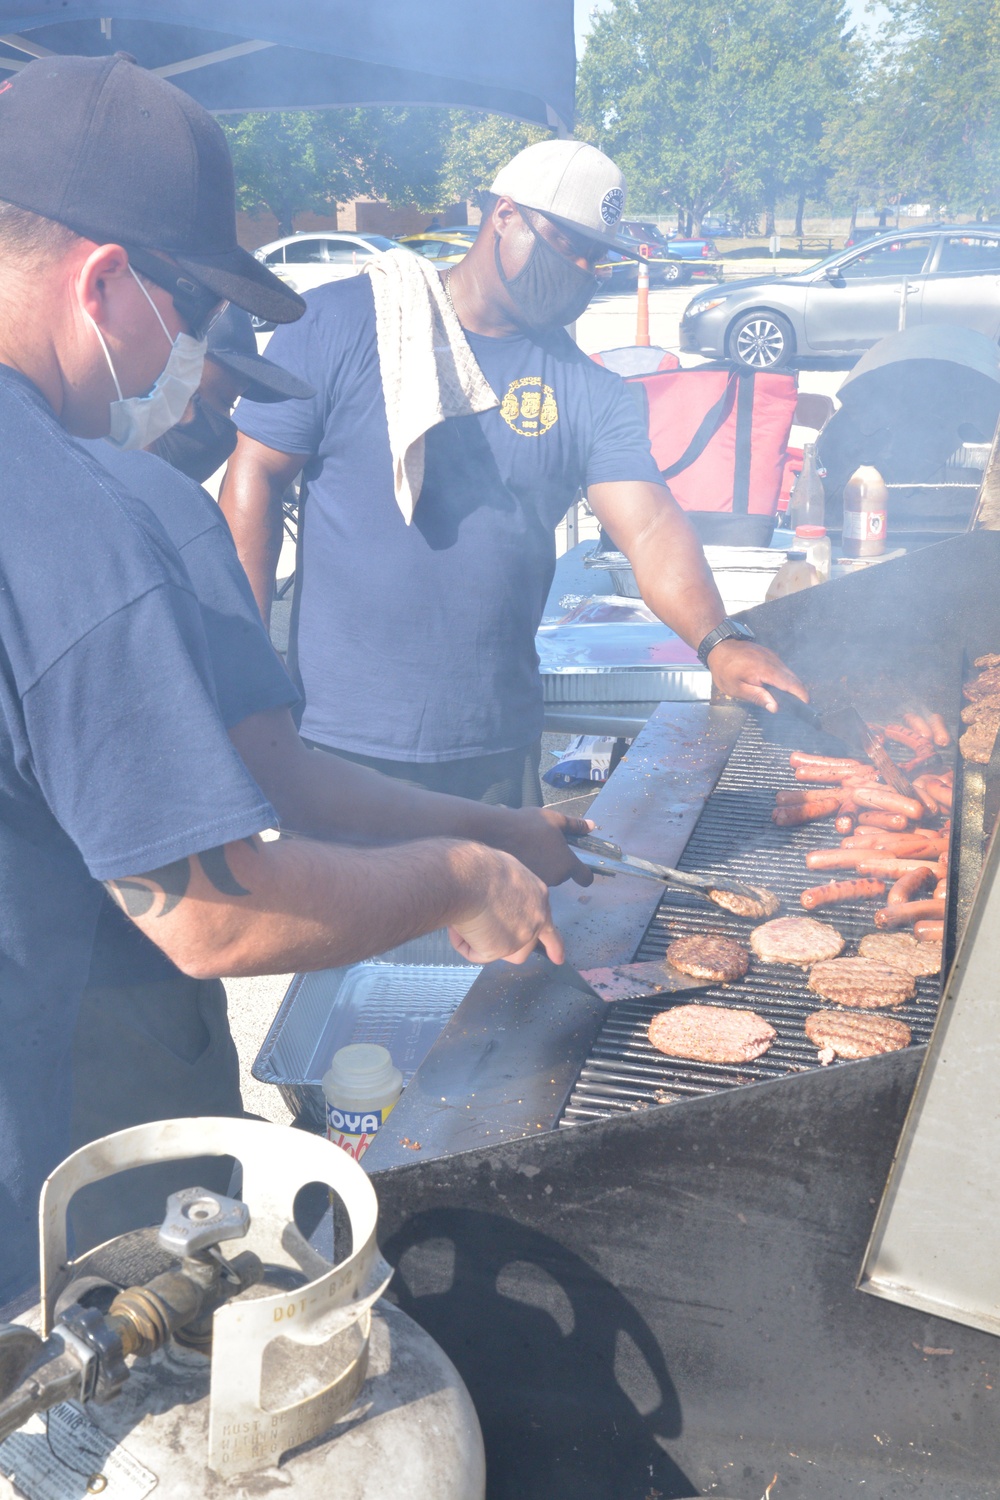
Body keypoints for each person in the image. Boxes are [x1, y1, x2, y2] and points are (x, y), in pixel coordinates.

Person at [0, 53, 560, 1306]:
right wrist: (465, 871)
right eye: (190, 303)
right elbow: (212, 913)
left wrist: (488, 826)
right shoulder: (69, 516)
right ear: (100, 278)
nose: (191, 350)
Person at [221, 139, 806, 808]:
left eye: (595, 258)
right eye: (566, 244)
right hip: (337, 741)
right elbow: (255, 477)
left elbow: (647, 526)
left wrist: (719, 640)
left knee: (499, 913)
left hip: (495, 743)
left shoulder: (591, 389)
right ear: (503, 215)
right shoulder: (344, 323)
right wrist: (247, 661)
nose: (581, 269)